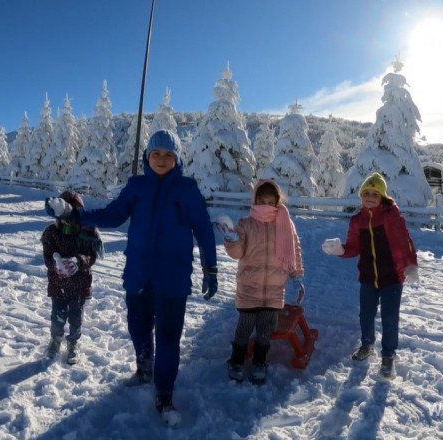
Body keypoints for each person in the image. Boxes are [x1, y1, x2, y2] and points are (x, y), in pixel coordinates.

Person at [45, 129, 217, 424]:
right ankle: (144, 365)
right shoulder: (136, 186)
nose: (161, 159)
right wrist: (74, 215)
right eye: (156, 154)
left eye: (168, 154)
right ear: (146, 157)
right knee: (137, 327)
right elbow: (112, 215)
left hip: (173, 278)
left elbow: (203, 230)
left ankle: (164, 393)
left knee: (168, 336)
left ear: (177, 159)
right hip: (139, 273)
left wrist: (210, 268)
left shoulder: (188, 190)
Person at [321, 172, 418, 379]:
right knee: (365, 315)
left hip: (391, 277)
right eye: (366, 193)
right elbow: (353, 247)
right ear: (361, 196)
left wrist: (410, 265)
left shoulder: (391, 216)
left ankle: (388, 356)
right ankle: (367, 344)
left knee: (389, 319)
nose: (371, 197)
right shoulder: (357, 221)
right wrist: (339, 250)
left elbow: (404, 242)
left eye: (375, 193)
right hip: (367, 277)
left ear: (382, 196)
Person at [215, 180, 304, 384]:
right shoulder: (246, 224)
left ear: (277, 202)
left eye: (270, 201)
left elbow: (294, 251)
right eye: (261, 200)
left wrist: (296, 276)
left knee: (265, 331)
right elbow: (238, 254)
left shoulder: (285, 224)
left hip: (274, 291)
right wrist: (232, 240)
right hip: (249, 289)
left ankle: (259, 362)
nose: (265, 204)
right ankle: (236, 361)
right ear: (255, 200)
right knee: (244, 329)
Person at [40, 190, 102, 365]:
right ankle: (55, 340)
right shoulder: (51, 232)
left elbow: (93, 255)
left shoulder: (87, 230)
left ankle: (73, 343)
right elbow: (47, 256)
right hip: (58, 284)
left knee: (75, 319)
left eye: (75, 209)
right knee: (57, 319)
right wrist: (56, 263)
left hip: (80, 285)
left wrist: (79, 261)